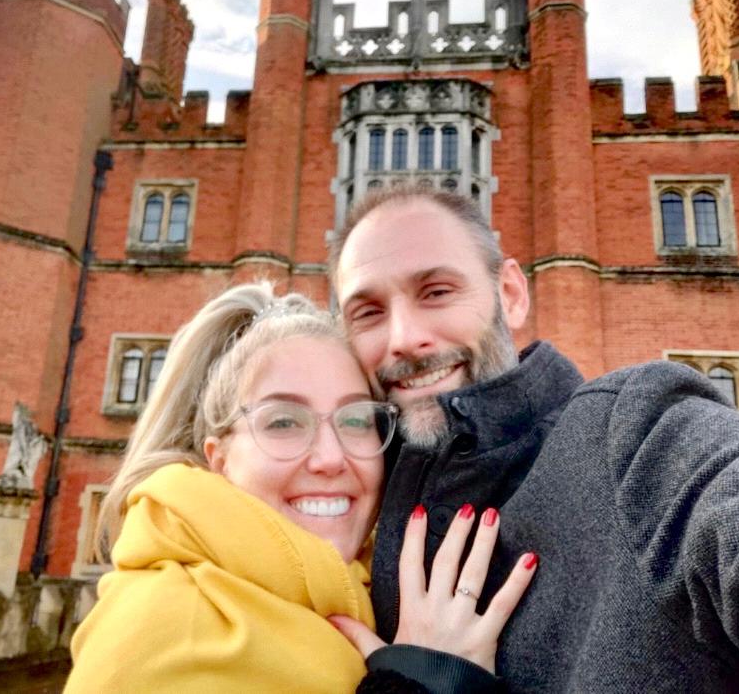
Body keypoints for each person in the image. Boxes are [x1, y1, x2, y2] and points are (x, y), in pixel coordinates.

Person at [327, 187, 739, 692]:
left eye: (437, 292)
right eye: (368, 312)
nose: (402, 339)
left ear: (509, 295)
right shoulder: (344, 496)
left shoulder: (635, 430)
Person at [65, 282, 536, 693]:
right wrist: (428, 681)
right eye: (284, 422)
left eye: (356, 420)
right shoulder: (162, 628)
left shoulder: (368, 590)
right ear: (219, 459)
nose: (330, 458)